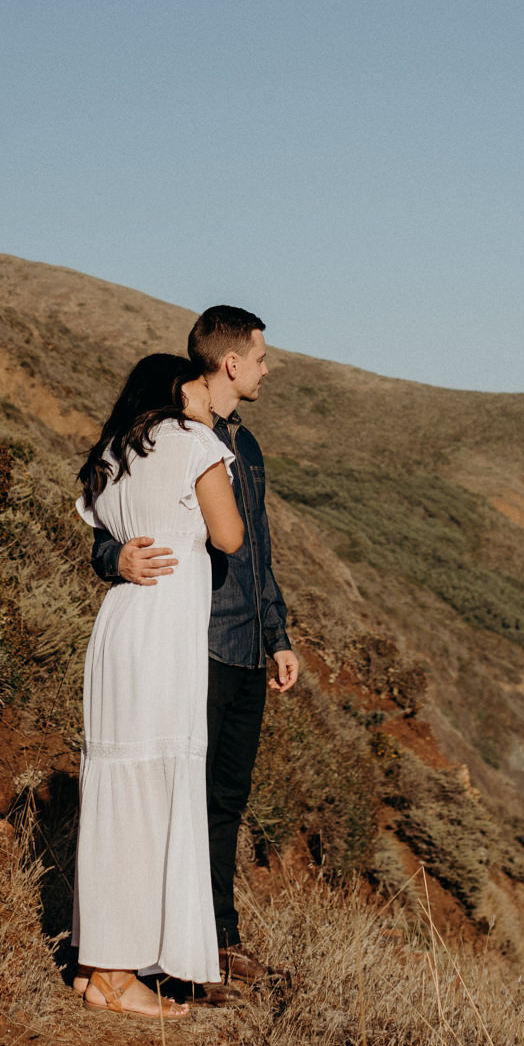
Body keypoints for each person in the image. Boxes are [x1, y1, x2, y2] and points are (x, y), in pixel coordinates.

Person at [90, 308, 299, 987]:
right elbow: (117, 525)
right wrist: (112, 558)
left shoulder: (248, 447)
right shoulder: (171, 439)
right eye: (262, 355)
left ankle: (215, 938)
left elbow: (257, 548)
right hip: (191, 642)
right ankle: (171, 951)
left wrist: (278, 635)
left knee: (226, 800)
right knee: (180, 794)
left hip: (245, 647)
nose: (269, 367)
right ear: (231, 362)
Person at [72, 352, 246, 1019]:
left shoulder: (111, 454)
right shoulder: (194, 442)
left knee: (115, 791)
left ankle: (99, 964)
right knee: (150, 795)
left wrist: (120, 552)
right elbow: (228, 535)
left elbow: (102, 534)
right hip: (165, 635)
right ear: (178, 389)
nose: (211, 393)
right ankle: (119, 977)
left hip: (117, 628)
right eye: (201, 384)